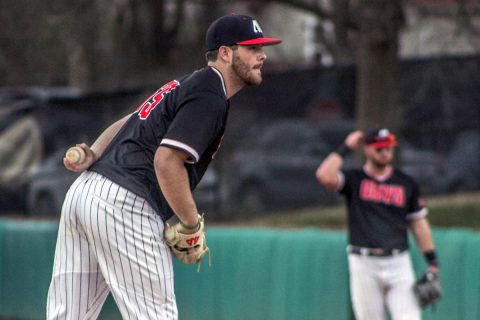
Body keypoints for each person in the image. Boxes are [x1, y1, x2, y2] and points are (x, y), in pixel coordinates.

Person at [46, 13, 281, 320]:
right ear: (226, 53)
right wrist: (191, 224)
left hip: (85, 194)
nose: (262, 55)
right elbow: (167, 161)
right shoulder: (211, 92)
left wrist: (95, 151)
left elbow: (130, 119)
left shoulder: (186, 83)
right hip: (124, 204)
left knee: (67, 316)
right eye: (252, 48)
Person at [315, 128, 439, 320]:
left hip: (398, 262)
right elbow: (324, 175)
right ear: (367, 149)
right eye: (379, 148)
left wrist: (432, 261)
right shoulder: (355, 180)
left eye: (388, 148)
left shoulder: (405, 183)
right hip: (364, 263)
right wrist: (346, 148)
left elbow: (418, 223)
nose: (385, 152)